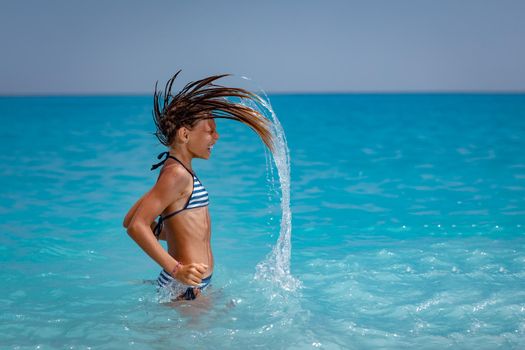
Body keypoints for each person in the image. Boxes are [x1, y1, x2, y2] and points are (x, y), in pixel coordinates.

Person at [123, 71, 275, 301]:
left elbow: (131, 220)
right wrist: (177, 270)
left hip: (193, 283)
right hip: (184, 285)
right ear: (185, 134)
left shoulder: (175, 171)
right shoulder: (175, 174)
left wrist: (175, 236)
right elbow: (136, 226)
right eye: (209, 131)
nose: (217, 137)